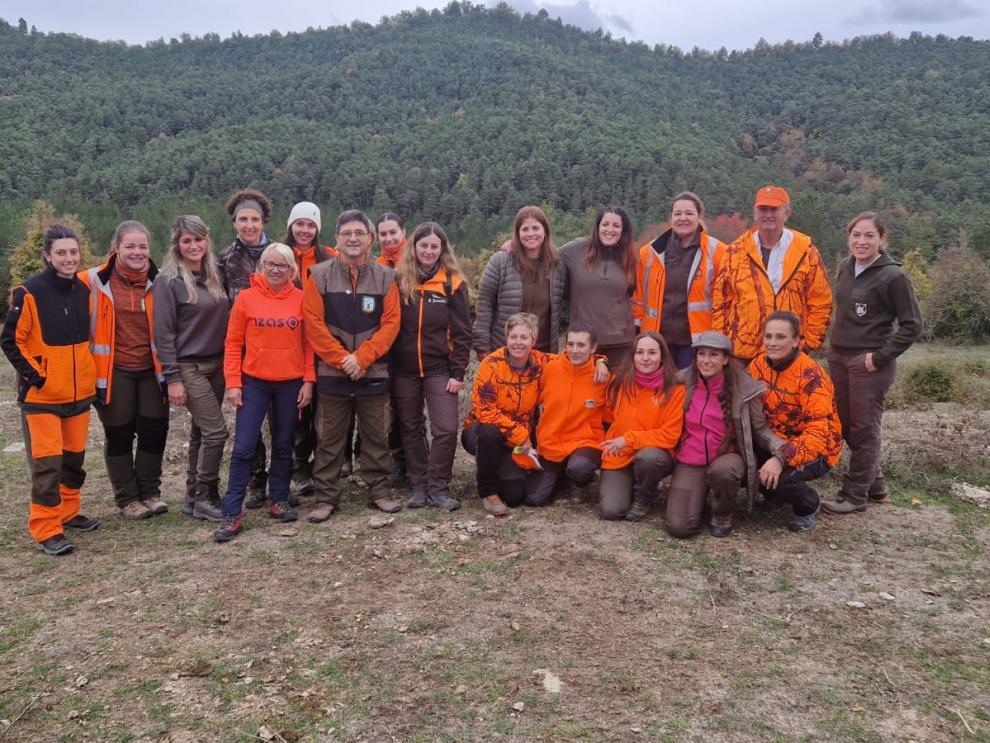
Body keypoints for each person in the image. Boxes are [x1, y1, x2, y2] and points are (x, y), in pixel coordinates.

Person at [1, 225, 99, 555]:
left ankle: (69, 513)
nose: (68, 258)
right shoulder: (28, 292)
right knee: (47, 465)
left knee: (74, 461)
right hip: (42, 398)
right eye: (61, 253)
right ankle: (46, 528)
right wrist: (37, 377)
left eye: (73, 252)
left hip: (79, 394)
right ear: (47, 255)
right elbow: (10, 340)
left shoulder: (84, 290)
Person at [303, 210, 402, 521]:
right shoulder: (318, 275)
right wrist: (343, 360)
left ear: (370, 238)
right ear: (337, 238)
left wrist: (362, 358)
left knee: (376, 436)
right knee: (330, 438)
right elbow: (313, 324)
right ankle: (325, 497)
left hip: (373, 372)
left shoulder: (386, 277)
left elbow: (391, 324)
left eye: (359, 232)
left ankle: (380, 491)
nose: (353, 238)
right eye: (347, 233)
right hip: (333, 373)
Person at [822, 212, 922, 514]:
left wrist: (878, 358)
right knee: (844, 425)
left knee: (865, 428)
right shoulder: (846, 267)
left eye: (869, 235)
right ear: (848, 238)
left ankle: (855, 496)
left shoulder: (893, 276)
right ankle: (875, 486)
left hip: (869, 363)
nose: (861, 241)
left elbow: (911, 324)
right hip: (839, 359)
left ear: (882, 239)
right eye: (856, 235)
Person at [214, 243, 315, 541]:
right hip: (254, 382)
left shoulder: (301, 299)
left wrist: (308, 380)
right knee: (244, 447)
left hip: (290, 383)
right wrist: (233, 382)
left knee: (284, 444)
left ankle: (279, 499)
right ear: (261, 267)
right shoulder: (246, 299)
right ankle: (232, 512)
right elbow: (233, 343)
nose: (275, 269)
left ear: (292, 270)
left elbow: (309, 344)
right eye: (270, 264)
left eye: (282, 265)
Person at [80, 221, 169, 521]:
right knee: (119, 434)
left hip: (151, 369)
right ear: (117, 248)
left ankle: (150, 492)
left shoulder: (162, 282)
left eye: (142, 246)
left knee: (154, 431)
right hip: (113, 369)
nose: (137, 252)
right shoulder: (92, 280)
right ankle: (127, 498)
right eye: (130, 246)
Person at [665, 331, 787, 538]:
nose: (706, 360)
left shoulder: (744, 389)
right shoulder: (683, 382)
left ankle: (722, 512)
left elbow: (760, 429)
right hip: (690, 459)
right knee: (679, 527)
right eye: (701, 354)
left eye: (713, 355)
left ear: (725, 359)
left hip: (726, 456)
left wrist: (780, 449)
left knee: (724, 470)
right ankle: (697, 496)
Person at [154, 215, 230, 521]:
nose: (194, 245)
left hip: (218, 363)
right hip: (189, 367)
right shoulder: (168, 281)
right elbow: (164, 334)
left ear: (207, 241)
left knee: (201, 432)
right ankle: (205, 495)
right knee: (216, 432)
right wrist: (172, 378)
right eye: (187, 240)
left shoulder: (215, 274)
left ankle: (191, 495)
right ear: (177, 244)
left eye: (198, 239)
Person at [391, 222, 472, 511]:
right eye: (423, 245)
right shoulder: (398, 280)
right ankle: (419, 486)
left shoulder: (453, 283)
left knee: (446, 429)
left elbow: (463, 332)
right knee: (410, 428)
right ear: (413, 247)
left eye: (434, 246)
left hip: (440, 370)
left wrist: (458, 372)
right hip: (403, 370)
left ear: (442, 249)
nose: (428, 250)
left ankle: (439, 487)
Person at [712, 185, 832, 362]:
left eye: (774, 209)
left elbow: (820, 301)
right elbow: (720, 303)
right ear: (755, 212)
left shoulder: (806, 252)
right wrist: (722, 344)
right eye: (763, 209)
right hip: (742, 354)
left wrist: (807, 344)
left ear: (787, 212)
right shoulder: (735, 253)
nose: (768, 214)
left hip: (789, 353)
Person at [748, 312, 843, 532]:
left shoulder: (812, 376)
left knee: (780, 480)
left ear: (796, 341)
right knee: (743, 462)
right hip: (774, 439)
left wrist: (781, 458)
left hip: (818, 448)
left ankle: (808, 505)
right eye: (768, 336)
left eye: (780, 337)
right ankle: (772, 493)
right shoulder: (758, 365)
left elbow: (817, 433)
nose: (772, 343)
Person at [217, 188, 275, 508]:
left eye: (254, 219)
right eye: (243, 219)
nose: (249, 225)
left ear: (263, 220)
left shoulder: (278, 255)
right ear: (235, 222)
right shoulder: (225, 259)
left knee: (282, 421)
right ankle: (256, 479)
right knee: (248, 422)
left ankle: (285, 477)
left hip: (277, 348)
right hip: (242, 351)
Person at [462, 312, 546, 517]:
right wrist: (519, 434)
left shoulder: (541, 362)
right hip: (480, 430)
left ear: (533, 340)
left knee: (514, 496)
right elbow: (484, 410)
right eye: (513, 337)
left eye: (524, 337)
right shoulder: (491, 364)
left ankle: (499, 467)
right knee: (490, 433)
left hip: (518, 439)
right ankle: (487, 491)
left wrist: (600, 360)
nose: (518, 342)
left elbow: (573, 361)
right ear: (506, 338)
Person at [633, 192, 728, 369]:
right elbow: (639, 298)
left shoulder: (719, 252)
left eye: (689, 213)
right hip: (658, 342)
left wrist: (718, 339)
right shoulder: (650, 252)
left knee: (688, 391)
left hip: (696, 343)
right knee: (659, 392)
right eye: (677, 213)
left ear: (700, 217)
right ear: (671, 217)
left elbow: (724, 301)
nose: (683, 218)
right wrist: (639, 335)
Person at [599, 332, 686, 521]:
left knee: (649, 458)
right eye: (640, 352)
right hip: (619, 453)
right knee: (610, 510)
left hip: (654, 454)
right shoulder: (618, 382)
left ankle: (643, 498)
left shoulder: (676, 389)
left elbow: (670, 435)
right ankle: (628, 483)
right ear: (633, 355)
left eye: (652, 352)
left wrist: (629, 439)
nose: (645, 358)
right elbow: (605, 414)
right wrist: (599, 360)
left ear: (662, 356)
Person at [284, 201, 336, 498]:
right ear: (291, 225)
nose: (305, 230)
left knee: (327, 409)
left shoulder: (330, 257)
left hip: (325, 342)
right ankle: (299, 467)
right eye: (300, 224)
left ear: (318, 228)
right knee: (299, 410)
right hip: (290, 343)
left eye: (311, 225)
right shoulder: (279, 256)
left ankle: (327, 467)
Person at [527, 323, 609, 507]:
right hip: (550, 443)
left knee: (579, 468)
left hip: (585, 441)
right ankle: (559, 477)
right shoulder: (549, 369)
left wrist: (601, 361)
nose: (575, 350)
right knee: (535, 499)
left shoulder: (602, 377)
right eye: (570, 344)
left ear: (593, 348)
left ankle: (579, 484)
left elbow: (612, 417)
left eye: (581, 345)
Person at [473, 206, 566, 356]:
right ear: (517, 233)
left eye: (536, 228)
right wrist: (482, 348)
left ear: (545, 231)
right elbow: (484, 305)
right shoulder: (501, 261)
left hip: (543, 354)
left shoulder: (557, 265)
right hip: (505, 352)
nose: (531, 234)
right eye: (525, 229)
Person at [559, 207, 638, 367]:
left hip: (621, 344)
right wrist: (515, 244)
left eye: (616, 226)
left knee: (617, 391)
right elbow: (542, 253)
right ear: (597, 227)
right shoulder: (575, 250)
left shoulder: (631, 258)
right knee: (585, 391)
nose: (610, 230)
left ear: (623, 231)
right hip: (583, 343)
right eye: (605, 224)